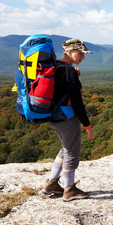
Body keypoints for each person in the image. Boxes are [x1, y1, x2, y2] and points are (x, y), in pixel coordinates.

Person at [41, 38, 95, 201]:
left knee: (66, 148)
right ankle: (69, 190)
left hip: (51, 117)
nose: (83, 57)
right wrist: (87, 125)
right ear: (69, 53)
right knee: (72, 151)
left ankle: (51, 184)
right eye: (80, 53)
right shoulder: (69, 71)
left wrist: (73, 75)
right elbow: (77, 101)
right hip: (66, 118)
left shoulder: (55, 67)